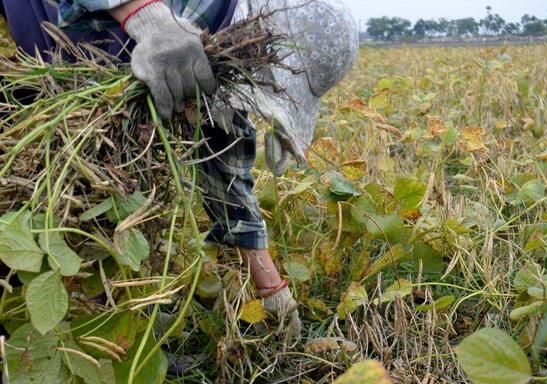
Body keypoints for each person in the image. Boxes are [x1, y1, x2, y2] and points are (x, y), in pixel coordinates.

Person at [0, 0, 358, 343]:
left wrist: (269, 284)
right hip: (21, 49)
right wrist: (146, 14)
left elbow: (224, 150)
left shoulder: (213, 56)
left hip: (40, 78)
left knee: (79, 206)